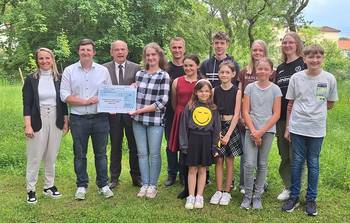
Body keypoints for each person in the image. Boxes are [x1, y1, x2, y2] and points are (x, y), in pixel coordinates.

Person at [282, 44, 338, 216]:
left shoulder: (329, 79)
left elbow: (329, 103)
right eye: (311, 57)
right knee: (297, 162)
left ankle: (311, 199)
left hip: (317, 128)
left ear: (323, 58)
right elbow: (290, 103)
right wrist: (287, 127)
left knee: (313, 162)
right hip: (298, 127)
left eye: (318, 57)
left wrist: (315, 112)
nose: (314, 60)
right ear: (304, 59)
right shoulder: (296, 78)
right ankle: (293, 197)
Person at [60, 39, 113, 200]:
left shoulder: (103, 71)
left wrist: (112, 104)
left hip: (100, 118)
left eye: (89, 50)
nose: (86, 52)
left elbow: (109, 92)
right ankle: (81, 186)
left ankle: (103, 185)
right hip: (78, 118)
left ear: (94, 52)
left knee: (101, 154)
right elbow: (64, 95)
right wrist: (85, 101)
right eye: (83, 50)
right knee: (80, 154)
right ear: (78, 52)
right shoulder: (69, 71)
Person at [23, 47, 69, 204]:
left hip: (55, 118)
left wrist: (65, 120)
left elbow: (63, 103)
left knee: (51, 155)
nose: (44, 61)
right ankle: (31, 189)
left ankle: (49, 186)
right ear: (37, 61)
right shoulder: (31, 79)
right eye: (41, 58)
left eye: (47, 58)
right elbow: (27, 104)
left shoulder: (60, 78)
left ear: (52, 60)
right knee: (35, 156)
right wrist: (27, 125)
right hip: (38, 118)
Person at [129, 43, 170, 199]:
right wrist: (131, 88)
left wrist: (140, 110)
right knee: (142, 154)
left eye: (154, 54)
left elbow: (162, 102)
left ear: (159, 56)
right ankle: (144, 184)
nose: (151, 57)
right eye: (148, 55)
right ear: (144, 57)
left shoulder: (163, 76)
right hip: (138, 121)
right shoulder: (139, 74)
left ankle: (153, 185)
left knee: (153, 154)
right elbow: (134, 97)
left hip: (155, 122)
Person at [240, 57, 282, 210]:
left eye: (266, 69)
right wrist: (253, 131)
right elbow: (245, 111)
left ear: (271, 71)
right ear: (256, 70)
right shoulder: (250, 88)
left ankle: (257, 196)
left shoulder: (275, 89)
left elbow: (276, 114)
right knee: (249, 163)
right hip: (250, 130)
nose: (262, 71)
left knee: (262, 164)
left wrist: (261, 132)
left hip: (267, 131)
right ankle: (247, 195)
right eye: (260, 68)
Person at [103, 40, 141, 188]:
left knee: (134, 146)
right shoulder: (104, 68)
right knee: (115, 146)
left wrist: (136, 86)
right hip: (112, 115)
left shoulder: (136, 68)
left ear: (127, 51)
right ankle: (114, 178)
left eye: (123, 49)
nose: (120, 52)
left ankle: (136, 177)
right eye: (116, 50)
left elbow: (141, 89)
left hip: (131, 114)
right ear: (111, 52)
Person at [238, 39, 273, 194]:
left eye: (260, 50)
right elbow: (240, 95)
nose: (257, 53)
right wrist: (240, 114)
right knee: (247, 153)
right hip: (246, 118)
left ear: (265, 52)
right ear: (251, 52)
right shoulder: (244, 72)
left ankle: (260, 183)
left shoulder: (272, 71)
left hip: (265, 120)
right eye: (254, 50)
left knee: (262, 158)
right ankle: (244, 184)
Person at [179, 79, 221, 209]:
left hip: (206, 140)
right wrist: (184, 145)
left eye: (206, 91)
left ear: (210, 93)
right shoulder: (190, 106)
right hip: (193, 140)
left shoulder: (213, 109)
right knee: (192, 169)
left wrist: (214, 145)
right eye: (201, 91)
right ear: (196, 92)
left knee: (203, 169)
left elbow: (216, 128)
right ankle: (190, 196)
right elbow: (183, 126)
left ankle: (199, 196)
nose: (204, 94)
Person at [275, 32, 307, 201]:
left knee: (297, 154)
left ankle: (296, 188)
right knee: (284, 154)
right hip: (281, 118)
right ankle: (288, 186)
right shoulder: (280, 68)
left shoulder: (303, 63)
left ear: (297, 44)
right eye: (285, 42)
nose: (287, 45)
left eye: (291, 42)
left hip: (299, 117)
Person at [167, 55, 202, 199]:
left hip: (197, 118)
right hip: (181, 116)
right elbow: (174, 102)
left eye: (191, 65)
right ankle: (184, 182)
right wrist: (181, 114)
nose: (188, 68)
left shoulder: (202, 82)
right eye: (185, 65)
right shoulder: (177, 81)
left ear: (197, 66)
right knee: (183, 150)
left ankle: (197, 181)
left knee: (194, 150)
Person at [210, 61, 242, 206]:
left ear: (233, 74)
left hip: (231, 127)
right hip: (217, 125)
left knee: (229, 160)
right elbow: (212, 111)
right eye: (222, 72)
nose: (224, 75)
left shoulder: (237, 91)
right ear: (218, 74)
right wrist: (217, 133)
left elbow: (236, 115)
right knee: (218, 159)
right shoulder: (214, 90)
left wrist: (228, 134)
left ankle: (227, 191)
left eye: (227, 72)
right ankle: (218, 190)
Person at [164, 37, 186, 187]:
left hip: (188, 114)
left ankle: (184, 174)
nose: (177, 50)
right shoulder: (166, 68)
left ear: (184, 49)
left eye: (180, 47)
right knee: (171, 144)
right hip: (170, 113)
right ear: (170, 49)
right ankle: (172, 173)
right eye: (174, 47)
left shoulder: (190, 66)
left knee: (186, 144)